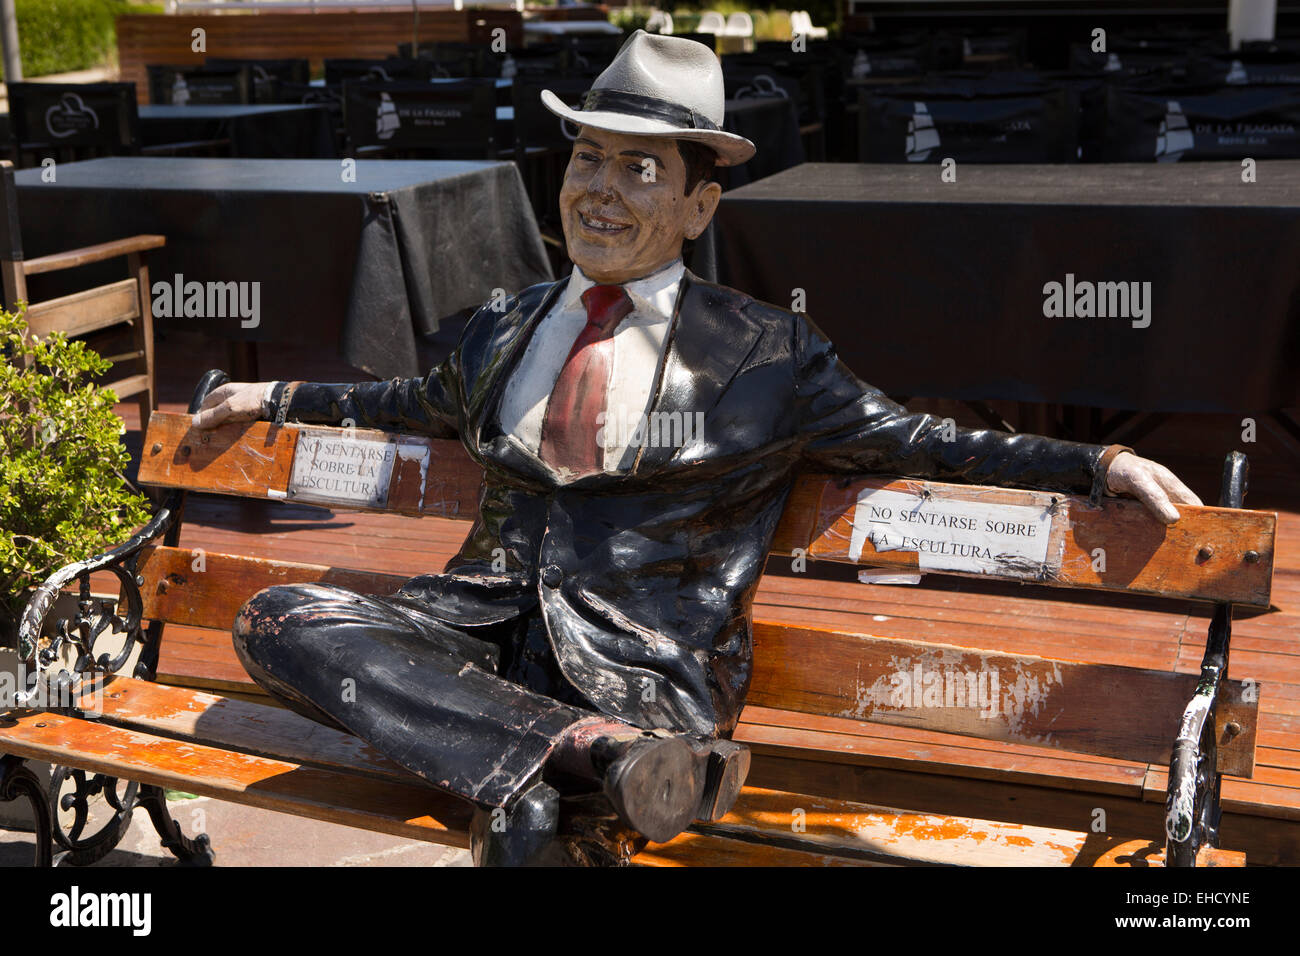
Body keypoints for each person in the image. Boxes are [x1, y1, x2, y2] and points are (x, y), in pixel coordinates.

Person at [192, 31, 1201, 865]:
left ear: (697, 205)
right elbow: (413, 402)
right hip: (476, 645)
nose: (600, 188)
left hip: (640, 670)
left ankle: (588, 764)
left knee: (527, 830)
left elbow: (917, 437)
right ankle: (591, 757)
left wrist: (1091, 462)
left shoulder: (765, 353)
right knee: (280, 618)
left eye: (638, 168)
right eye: (587, 157)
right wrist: (271, 393)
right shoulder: (503, 325)